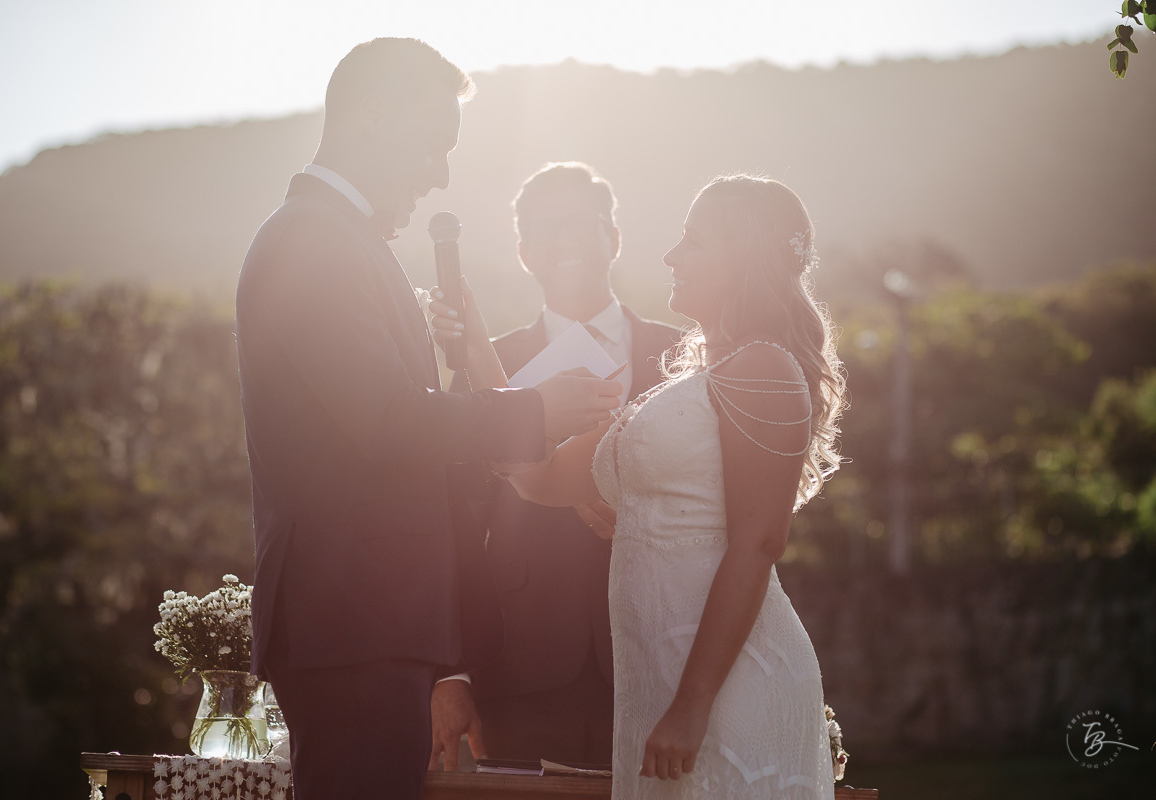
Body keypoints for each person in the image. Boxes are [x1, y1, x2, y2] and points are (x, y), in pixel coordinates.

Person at [234, 39, 622, 800]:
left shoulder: (339, 240)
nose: (441, 174)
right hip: (353, 619)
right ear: (374, 117)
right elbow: (386, 423)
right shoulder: (313, 239)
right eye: (434, 146)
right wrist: (533, 414)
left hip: (367, 622)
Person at [430, 175, 845, 798]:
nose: (671, 256)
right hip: (647, 674)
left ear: (744, 260)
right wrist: (474, 339)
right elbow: (538, 478)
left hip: (709, 684)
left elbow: (758, 543)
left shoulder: (762, 367)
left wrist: (692, 704)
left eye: (693, 243)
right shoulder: (691, 381)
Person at [429, 163, 681, 769]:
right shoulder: (491, 360)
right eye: (544, 230)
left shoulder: (680, 357)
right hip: (522, 666)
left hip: (663, 658)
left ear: (613, 237)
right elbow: (457, 518)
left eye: (579, 224)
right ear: (523, 252)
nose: (563, 241)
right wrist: (453, 672)